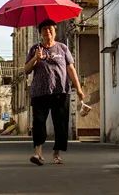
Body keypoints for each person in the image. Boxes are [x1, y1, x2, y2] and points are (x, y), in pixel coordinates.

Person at [24, 18, 85, 166]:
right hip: (40, 93)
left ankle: (57, 153)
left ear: (55, 31)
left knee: (61, 125)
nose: (48, 32)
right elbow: (26, 70)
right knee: (38, 123)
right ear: (40, 33)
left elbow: (71, 69)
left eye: (51, 29)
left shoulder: (62, 48)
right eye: (44, 30)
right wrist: (35, 59)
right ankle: (38, 154)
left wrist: (78, 89)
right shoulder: (34, 49)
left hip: (60, 92)